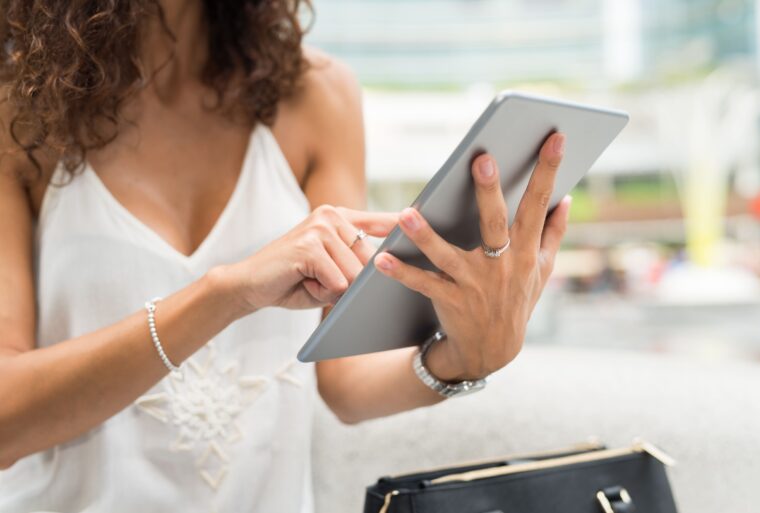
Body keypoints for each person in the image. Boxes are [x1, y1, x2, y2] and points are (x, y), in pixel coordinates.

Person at [0, 1, 571, 512]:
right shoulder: (18, 111)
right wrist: (223, 295)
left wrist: (464, 358)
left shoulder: (318, 94)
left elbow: (344, 380)